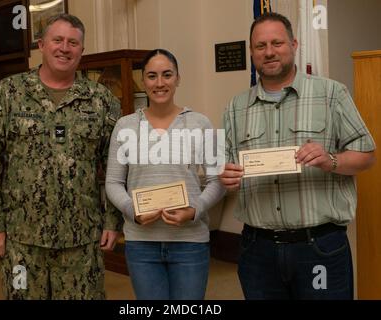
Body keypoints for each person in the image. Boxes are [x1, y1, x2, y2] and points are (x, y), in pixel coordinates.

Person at [219, 12, 376, 300]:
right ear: (252, 51)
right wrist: (227, 178)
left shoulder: (331, 94)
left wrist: (331, 160)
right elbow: (228, 167)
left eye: (277, 43)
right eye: (260, 45)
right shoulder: (235, 107)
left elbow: (366, 154)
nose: (269, 52)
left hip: (319, 246)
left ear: (294, 43)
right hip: (257, 249)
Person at [0, 14, 122, 300]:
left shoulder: (102, 101)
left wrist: (113, 222)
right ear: (41, 44)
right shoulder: (6, 95)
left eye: (73, 42)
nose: (65, 48)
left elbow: (115, 167)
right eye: (58, 40)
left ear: (81, 50)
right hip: (20, 242)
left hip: (82, 241)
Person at [105, 49, 225, 300]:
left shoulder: (200, 123)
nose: (159, 83)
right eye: (151, 76)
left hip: (190, 242)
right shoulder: (125, 126)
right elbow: (113, 183)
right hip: (141, 244)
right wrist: (131, 210)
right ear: (143, 80)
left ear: (178, 78)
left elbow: (218, 180)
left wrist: (196, 210)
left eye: (167, 75)